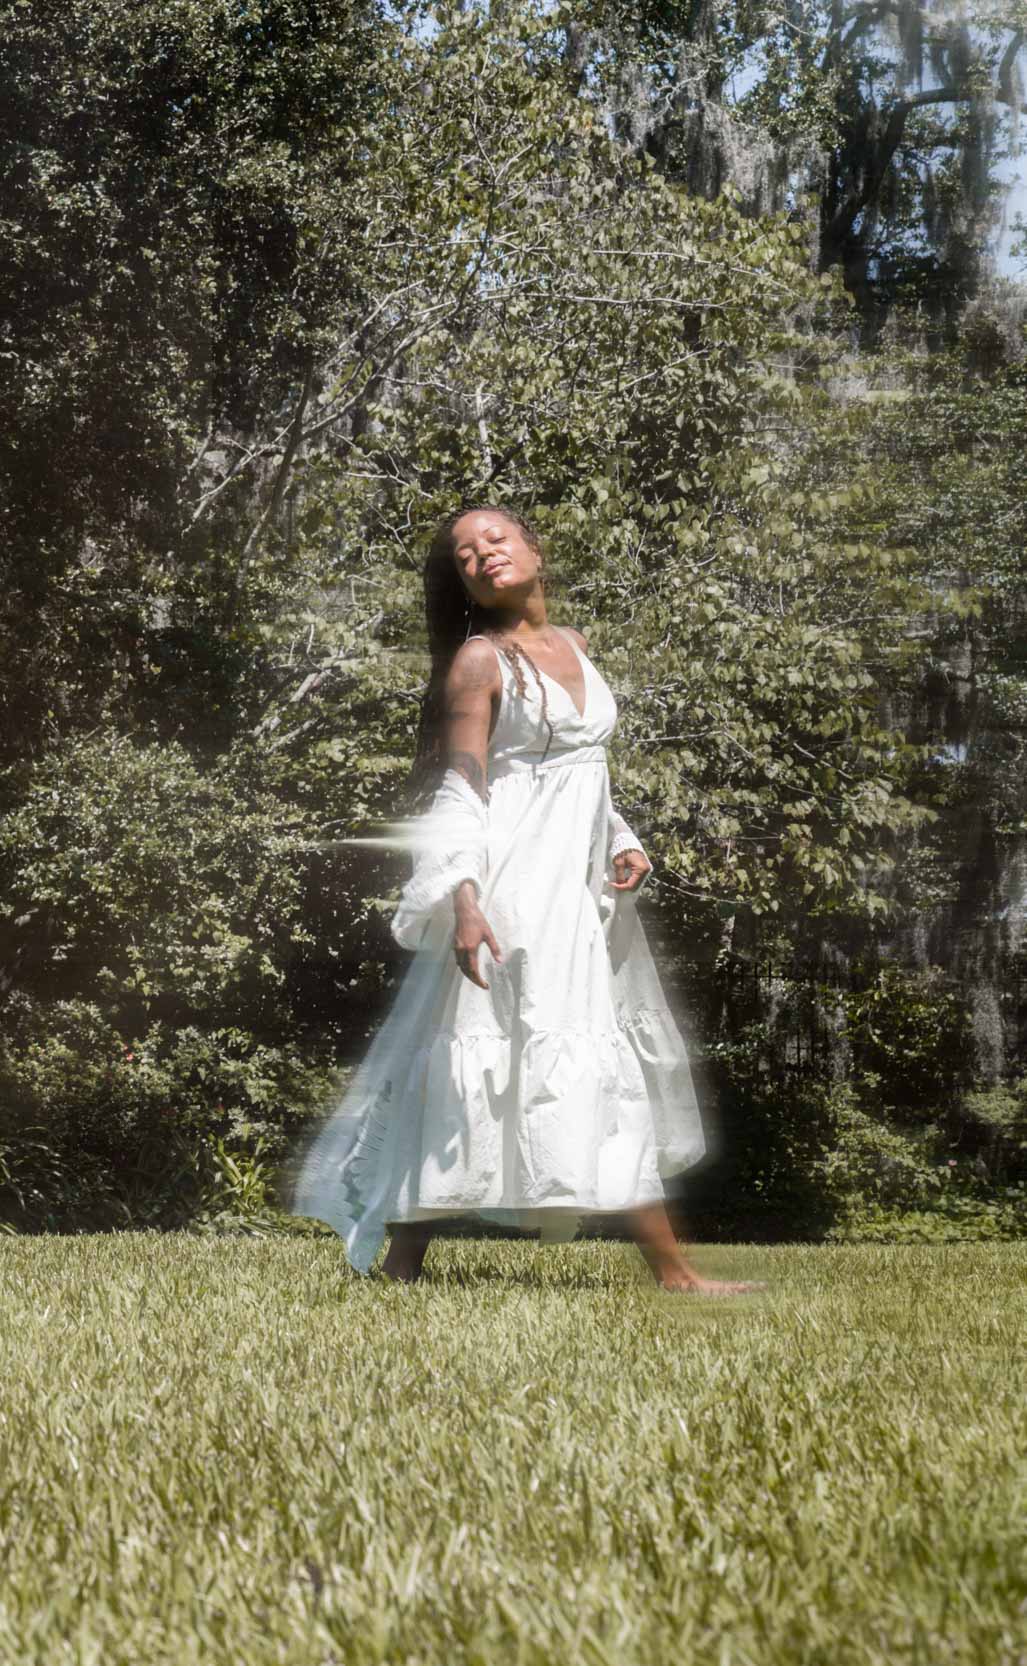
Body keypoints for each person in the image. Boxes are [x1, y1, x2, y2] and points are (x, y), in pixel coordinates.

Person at [290, 504, 759, 1294]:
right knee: (480, 1060)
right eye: (465, 555)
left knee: (575, 1059)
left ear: (534, 549)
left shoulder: (574, 645)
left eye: (494, 540)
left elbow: (582, 769)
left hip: (576, 899)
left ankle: (666, 1272)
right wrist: (463, 901)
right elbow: (466, 783)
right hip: (508, 892)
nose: (481, 557)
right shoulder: (481, 661)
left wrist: (620, 838)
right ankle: (406, 1266)